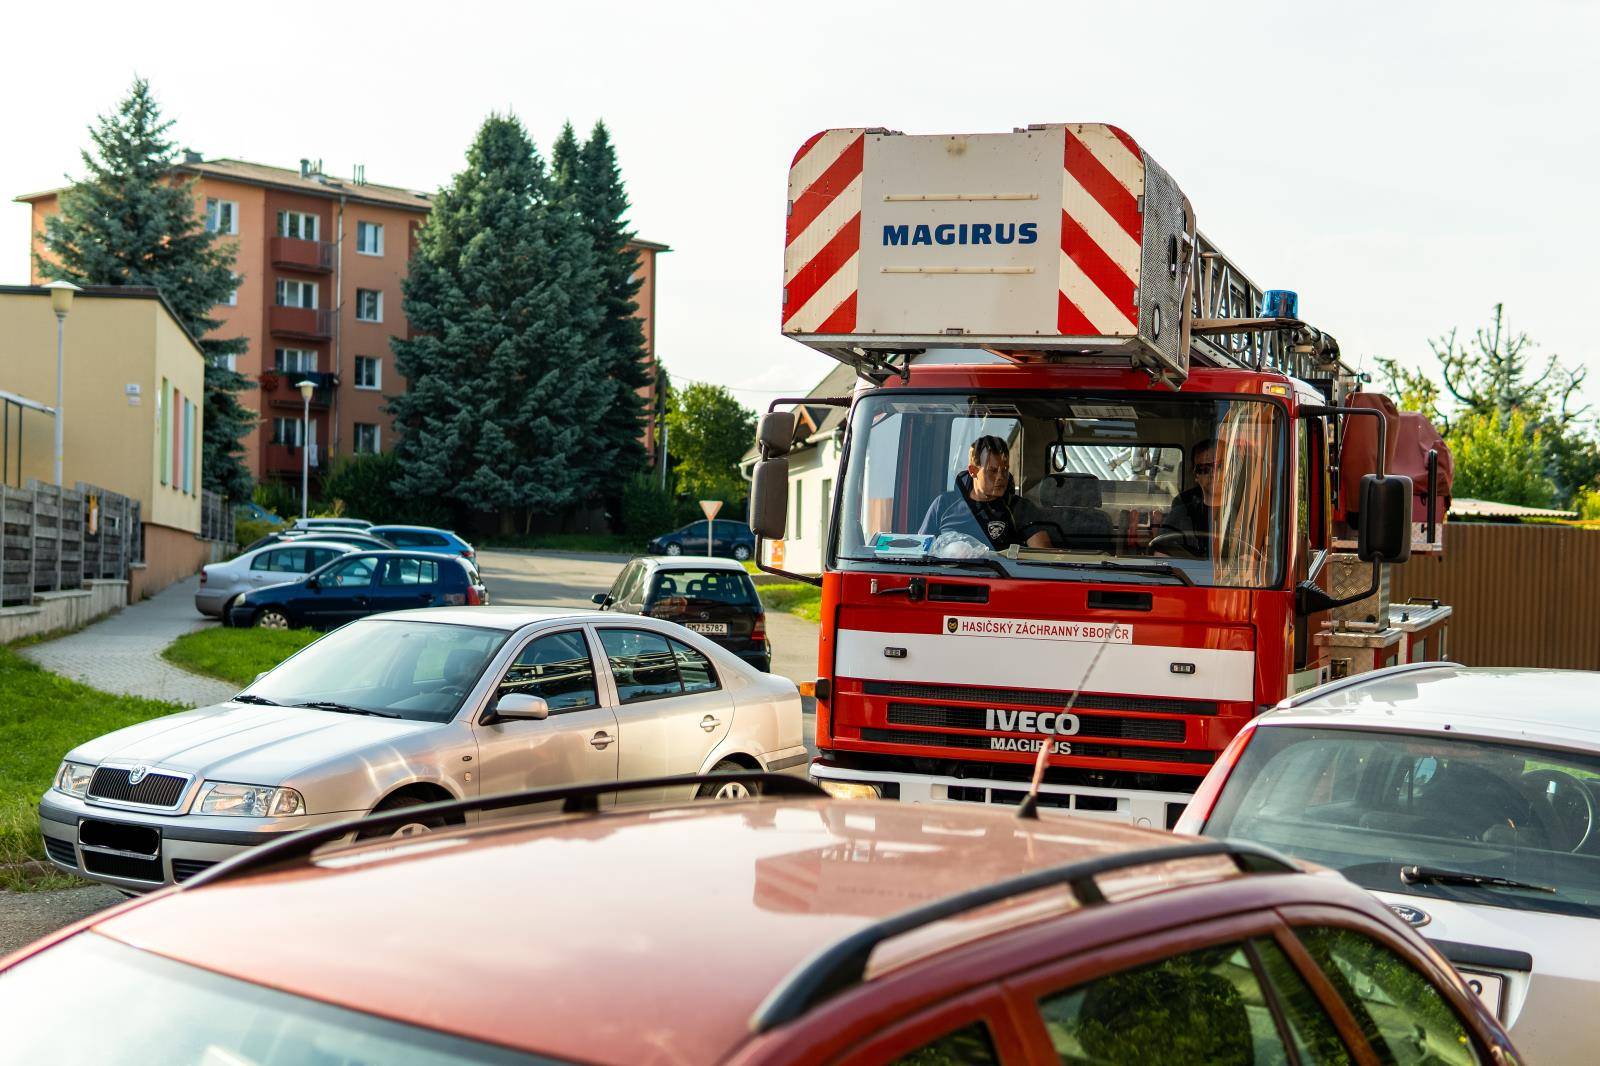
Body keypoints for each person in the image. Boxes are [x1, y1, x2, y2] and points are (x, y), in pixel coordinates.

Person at [917, 435, 1052, 550]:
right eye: (992, 471)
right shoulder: (943, 505)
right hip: (949, 577)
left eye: (1004, 470)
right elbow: (920, 550)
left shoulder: (1021, 508)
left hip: (1002, 579)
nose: (1001, 477)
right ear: (973, 471)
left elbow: (1042, 557)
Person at [1157, 439, 1220, 557]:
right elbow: (1161, 557)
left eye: (1219, 466)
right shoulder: (1180, 515)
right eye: (1204, 469)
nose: (1213, 474)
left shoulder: (1246, 514)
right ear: (1196, 475)